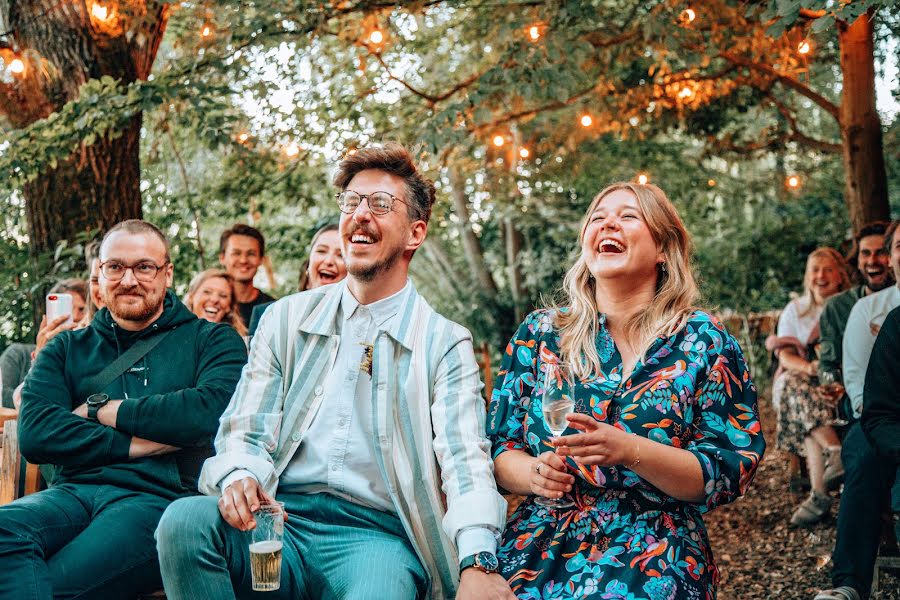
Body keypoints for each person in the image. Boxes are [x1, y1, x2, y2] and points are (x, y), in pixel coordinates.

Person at [156, 143, 510, 600]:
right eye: (351, 202)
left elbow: (465, 460)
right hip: (279, 521)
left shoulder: (444, 344)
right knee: (185, 522)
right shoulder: (283, 319)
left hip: (377, 539)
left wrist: (477, 561)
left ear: (414, 234)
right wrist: (240, 474)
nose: (360, 214)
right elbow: (246, 426)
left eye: (381, 204)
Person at [487, 182, 765, 599]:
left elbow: (728, 469)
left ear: (663, 250)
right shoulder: (542, 334)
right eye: (597, 217)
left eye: (628, 216)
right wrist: (534, 474)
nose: (608, 223)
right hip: (540, 543)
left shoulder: (704, 340)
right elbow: (499, 445)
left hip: (656, 548)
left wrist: (629, 450)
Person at [0, 219, 247, 600]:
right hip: (72, 493)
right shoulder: (65, 348)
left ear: (167, 274)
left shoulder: (212, 341)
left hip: (155, 502)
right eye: (115, 267)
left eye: (144, 267)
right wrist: (137, 443)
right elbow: (36, 432)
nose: (128, 279)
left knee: (54, 585)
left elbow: (206, 413)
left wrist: (100, 409)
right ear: (99, 274)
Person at [814, 221, 900, 600]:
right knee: (865, 458)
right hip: (875, 416)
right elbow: (858, 381)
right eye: (899, 246)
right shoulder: (870, 310)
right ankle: (849, 584)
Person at [769, 247, 850, 527]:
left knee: (801, 409)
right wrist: (812, 368)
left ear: (840, 276)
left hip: (839, 380)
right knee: (793, 385)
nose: (821, 276)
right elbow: (785, 355)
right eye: (815, 270)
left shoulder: (848, 305)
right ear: (807, 276)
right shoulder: (796, 309)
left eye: (828, 269)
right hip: (802, 375)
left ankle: (819, 496)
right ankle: (836, 452)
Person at [817, 222, 893, 390]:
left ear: (892, 259)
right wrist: (831, 385)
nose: (872, 260)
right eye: (865, 253)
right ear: (857, 261)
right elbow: (827, 365)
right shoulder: (837, 307)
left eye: (881, 253)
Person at [0, 278, 88, 410]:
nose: (75, 316)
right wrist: (42, 355)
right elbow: (5, 398)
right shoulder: (18, 354)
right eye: (67, 310)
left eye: (82, 309)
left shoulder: (92, 359)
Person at [248, 223, 346, 337]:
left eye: (341, 255)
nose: (329, 261)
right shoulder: (271, 314)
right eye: (321, 251)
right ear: (308, 267)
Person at [218, 223, 276, 327]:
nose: (243, 260)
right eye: (236, 253)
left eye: (251, 254)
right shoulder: (211, 305)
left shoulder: (272, 309)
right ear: (222, 257)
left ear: (261, 259)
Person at [184, 269, 248, 338]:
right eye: (207, 292)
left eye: (223, 295)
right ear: (191, 297)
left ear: (229, 306)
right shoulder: (173, 334)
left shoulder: (238, 340)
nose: (214, 299)